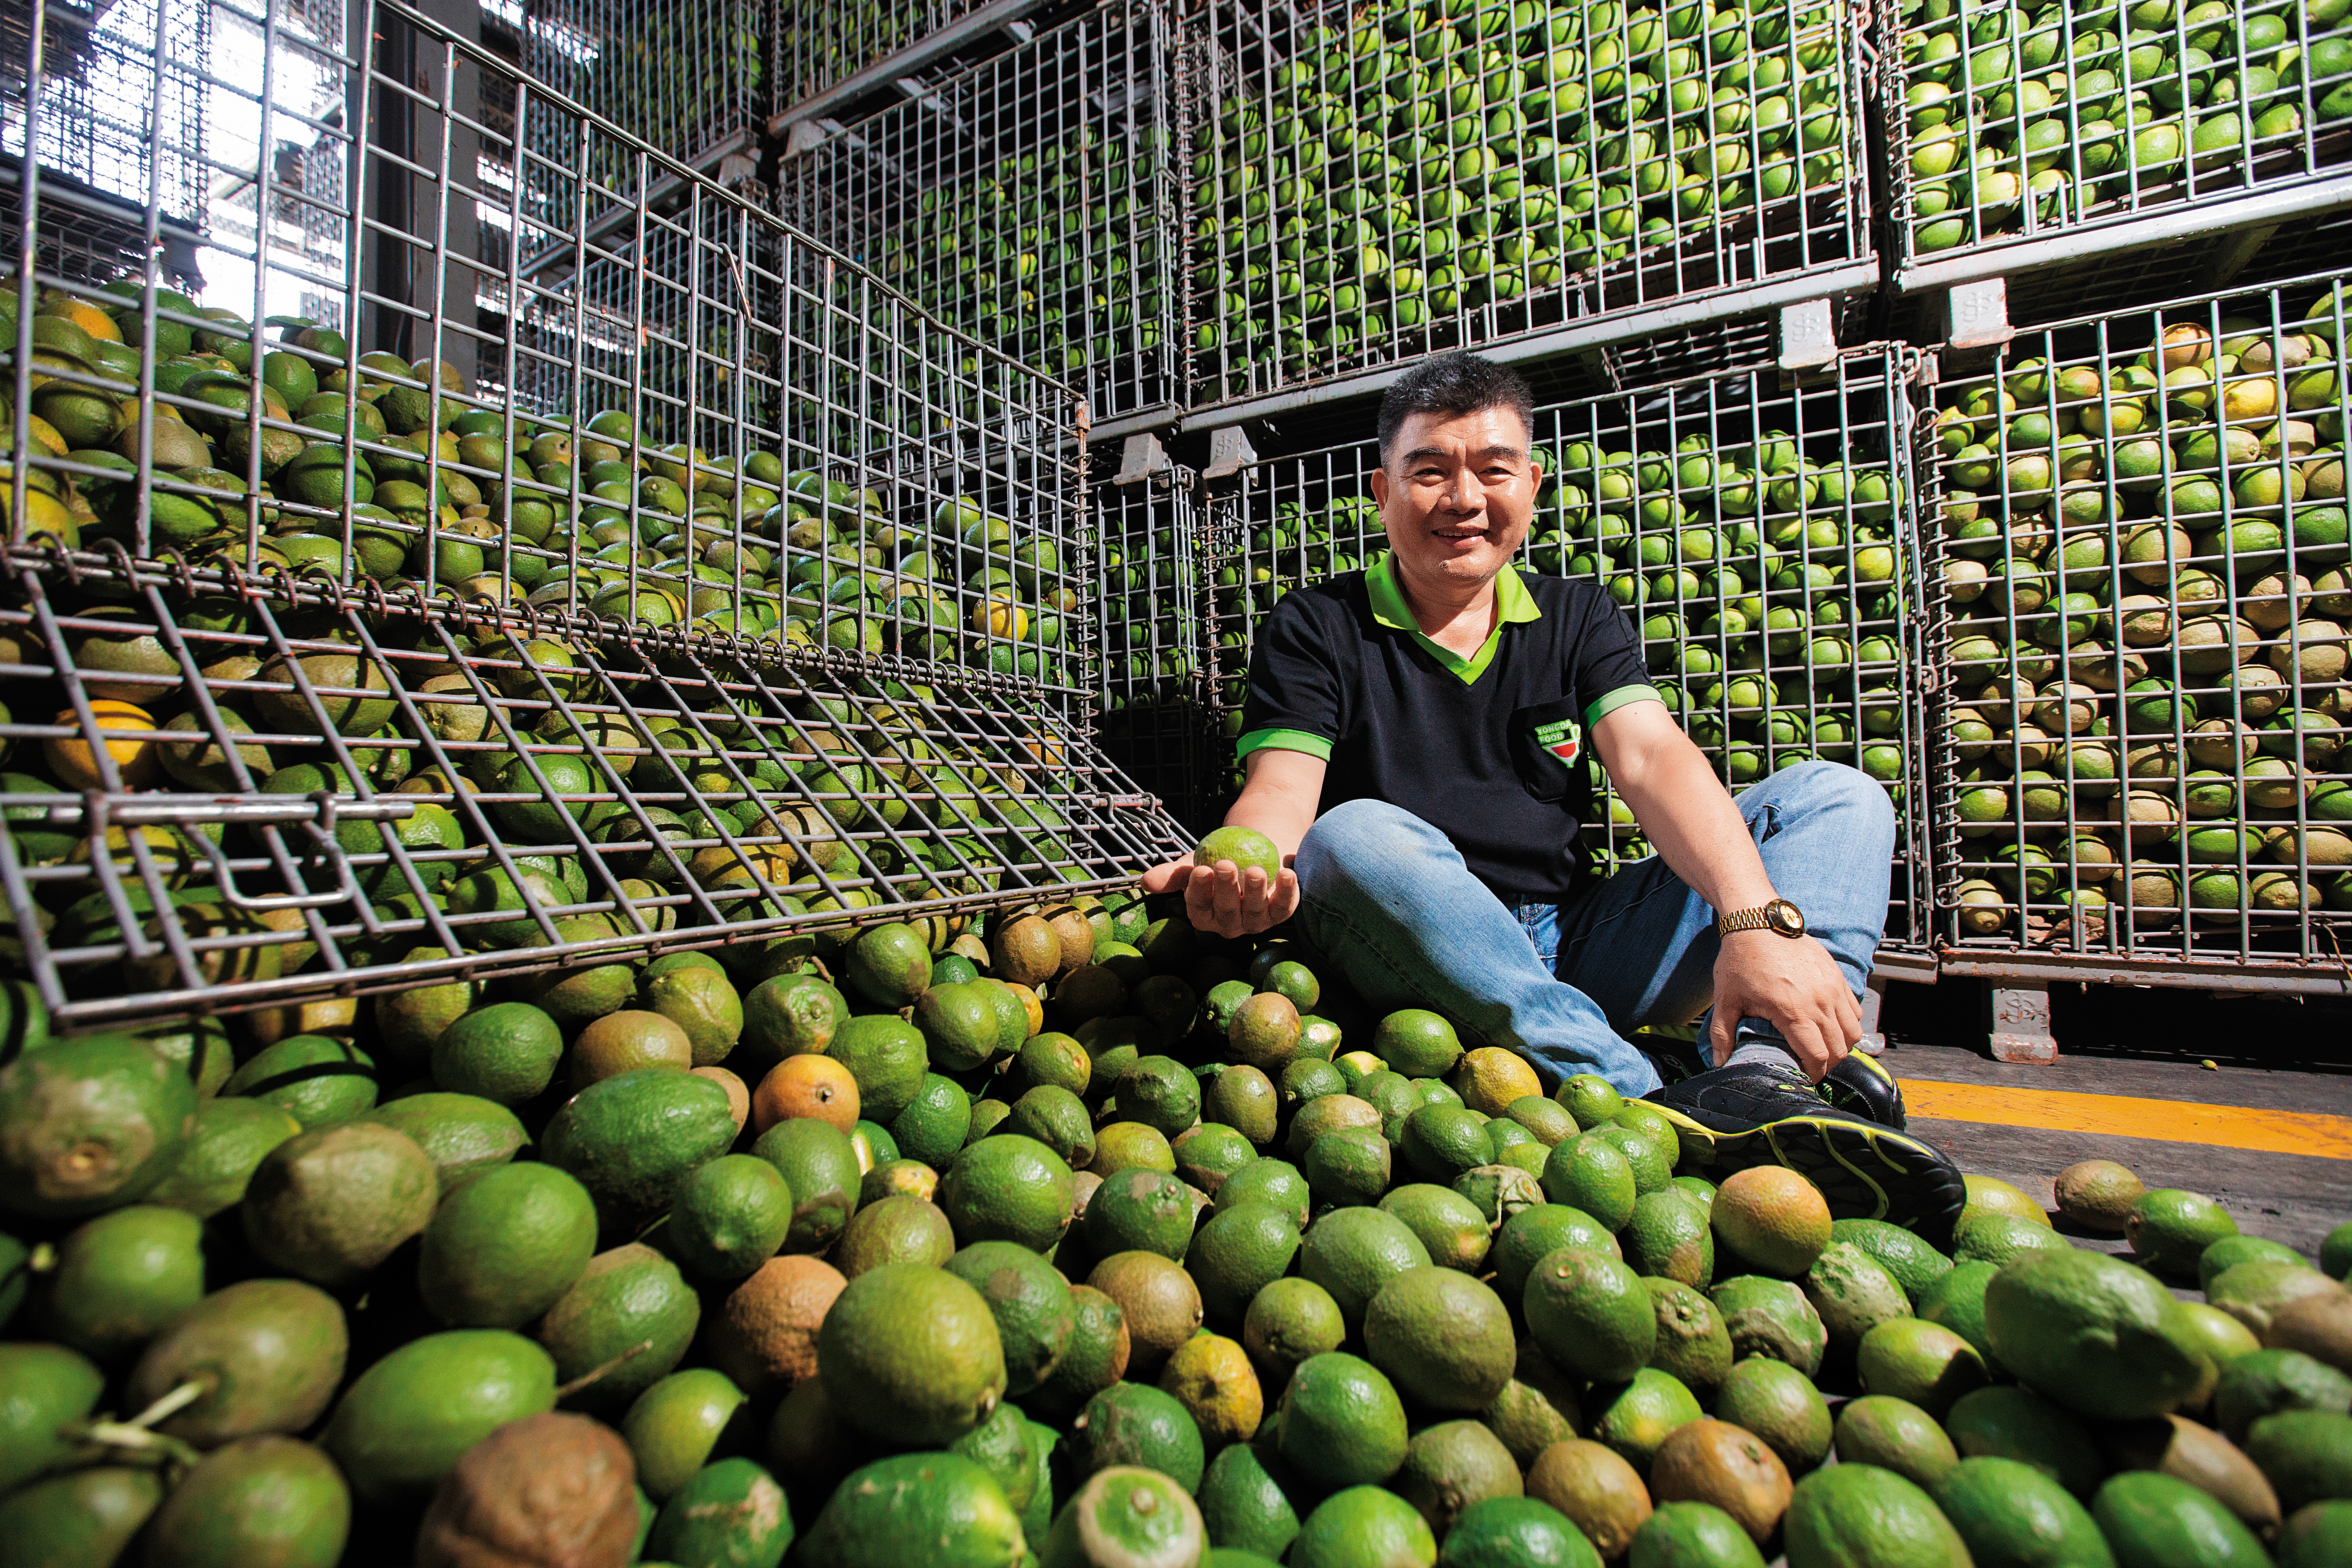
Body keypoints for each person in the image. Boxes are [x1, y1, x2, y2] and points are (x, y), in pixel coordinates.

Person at [1143, 351, 1964, 1237]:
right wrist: (1244, 876)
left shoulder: (1576, 614)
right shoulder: (1318, 626)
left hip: (1574, 941)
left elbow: (1651, 758)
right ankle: (1660, 1098)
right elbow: (1281, 795)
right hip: (1420, 952)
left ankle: (1774, 1073)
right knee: (1354, 837)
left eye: (1493, 470)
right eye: (1430, 472)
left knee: (1837, 798)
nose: (1464, 498)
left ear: (1530, 487)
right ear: (1382, 492)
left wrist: (1753, 919)